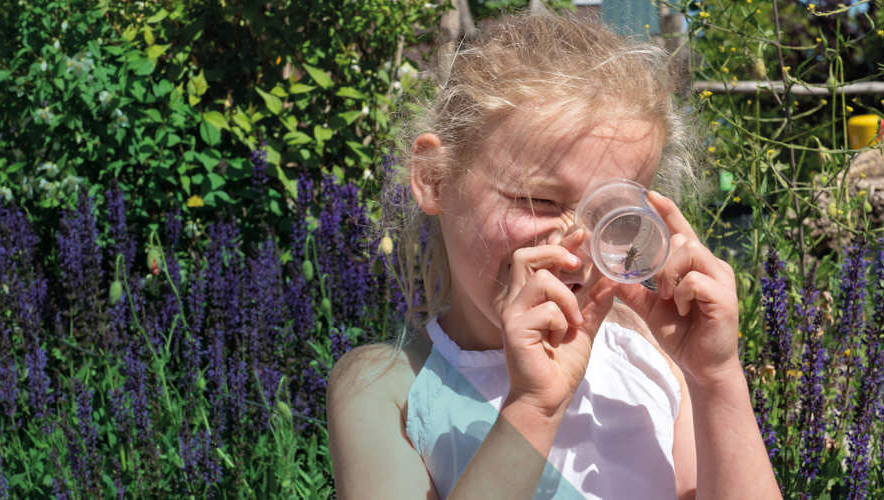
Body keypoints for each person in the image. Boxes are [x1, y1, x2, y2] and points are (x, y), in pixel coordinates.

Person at [327, 12, 781, 500]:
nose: (577, 245)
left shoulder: (650, 360)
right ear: (435, 178)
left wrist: (715, 378)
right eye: (539, 201)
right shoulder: (386, 388)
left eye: (614, 213)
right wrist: (534, 407)